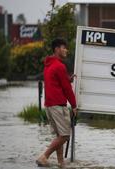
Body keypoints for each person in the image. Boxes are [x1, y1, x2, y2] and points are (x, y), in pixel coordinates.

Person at [36, 38, 77, 167]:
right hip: (57, 105)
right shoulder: (59, 66)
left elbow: (58, 83)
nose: (66, 50)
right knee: (65, 135)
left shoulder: (49, 65)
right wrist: (74, 105)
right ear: (57, 49)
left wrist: (67, 79)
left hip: (49, 106)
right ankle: (44, 156)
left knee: (59, 134)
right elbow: (66, 89)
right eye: (63, 47)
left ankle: (60, 163)